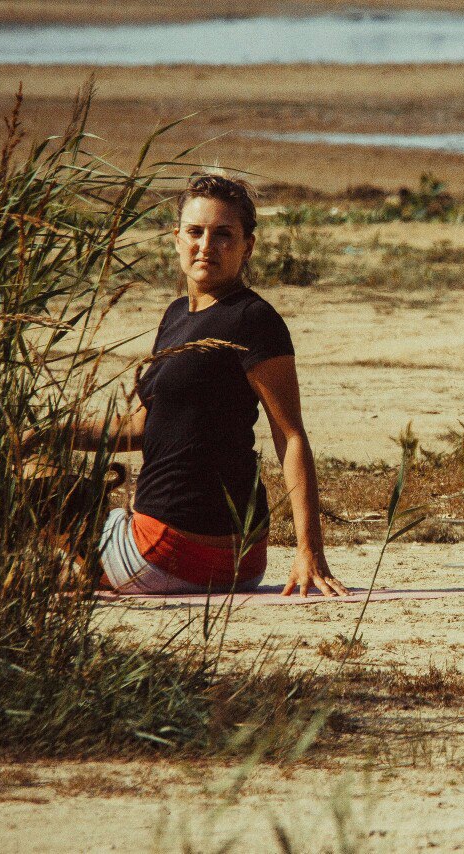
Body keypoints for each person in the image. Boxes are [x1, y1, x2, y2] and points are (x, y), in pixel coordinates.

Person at [33, 174, 347, 597]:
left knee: (22, 483)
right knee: (41, 471)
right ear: (176, 238)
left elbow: (290, 436)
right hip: (237, 562)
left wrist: (310, 551)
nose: (206, 246)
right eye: (196, 232)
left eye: (223, 235)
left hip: (171, 551)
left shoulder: (253, 318)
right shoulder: (176, 314)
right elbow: (140, 428)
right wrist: (49, 432)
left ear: (247, 246)